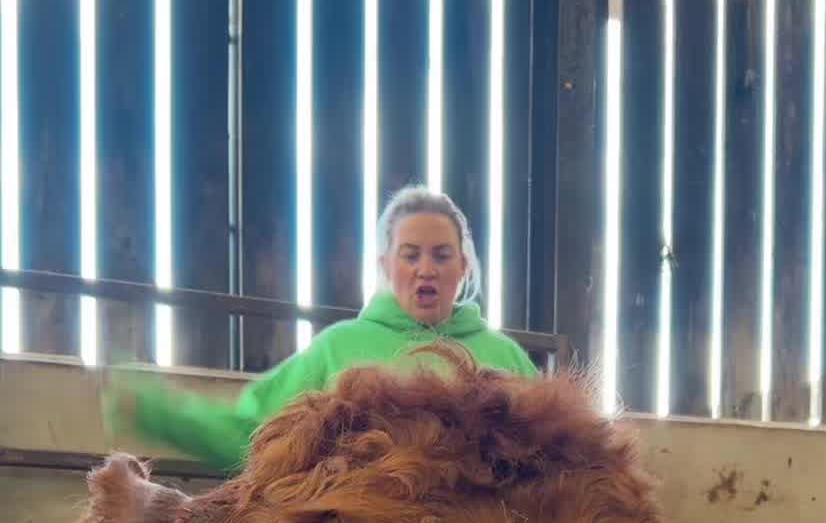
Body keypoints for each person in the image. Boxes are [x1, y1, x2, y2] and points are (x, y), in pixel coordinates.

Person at [102, 186, 539, 474]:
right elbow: (254, 431)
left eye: (442, 255)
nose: (426, 269)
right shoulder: (339, 348)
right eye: (411, 255)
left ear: (462, 267)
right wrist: (158, 412)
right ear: (386, 266)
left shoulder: (505, 357)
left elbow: (562, 454)